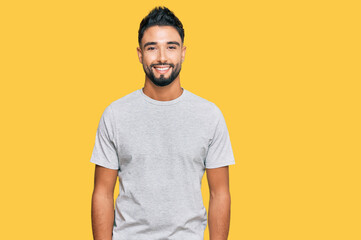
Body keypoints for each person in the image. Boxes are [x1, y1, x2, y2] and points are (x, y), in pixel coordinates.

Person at [90, 6, 235, 240]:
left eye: (171, 47)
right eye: (152, 48)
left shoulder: (209, 115)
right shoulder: (115, 115)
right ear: (139, 54)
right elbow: (102, 193)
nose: (161, 57)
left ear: (183, 52)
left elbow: (220, 193)